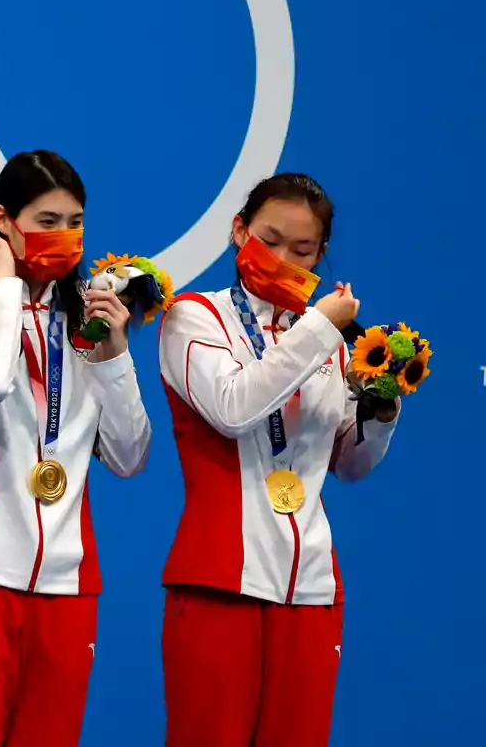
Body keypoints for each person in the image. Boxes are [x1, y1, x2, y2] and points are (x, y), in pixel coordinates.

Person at [0, 150, 153, 746]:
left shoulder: (88, 323)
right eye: (47, 221)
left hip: (68, 585)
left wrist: (115, 353)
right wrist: (3, 287)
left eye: (75, 222)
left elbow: (129, 457)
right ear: (2, 221)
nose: (64, 237)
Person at [157, 172, 401, 746]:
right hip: (220, 584)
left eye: (302, 250)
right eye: (268, 240)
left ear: (320, 255)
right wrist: (319, 327)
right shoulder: (193, 318)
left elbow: (349, 464)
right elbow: (235, 408)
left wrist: (381, 414)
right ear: (239, 231)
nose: (282, 258)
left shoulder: (331, 344)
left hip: (311, 589)